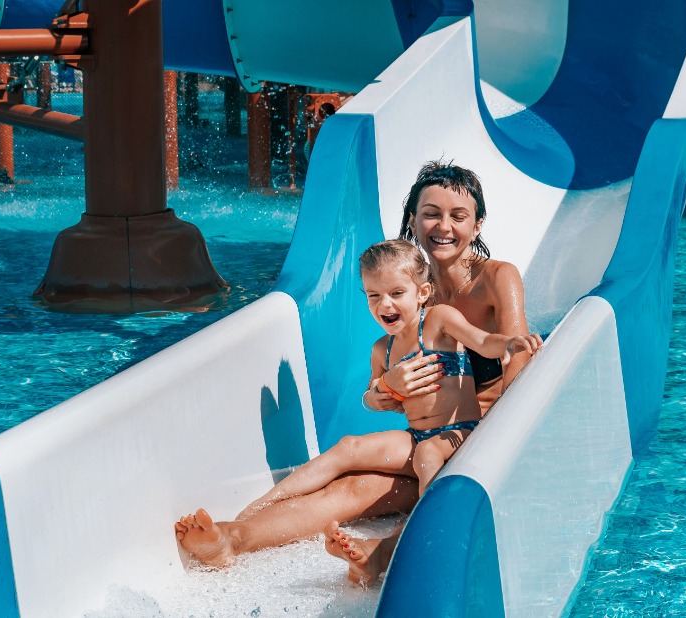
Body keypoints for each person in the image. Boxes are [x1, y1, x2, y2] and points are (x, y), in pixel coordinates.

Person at [176, 161, 533, 580]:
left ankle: (381, 555)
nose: (444, 226)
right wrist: (385, 390)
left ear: (477, 224)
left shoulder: (495, 278)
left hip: (480, 437)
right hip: (425, 438)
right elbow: (384, 392)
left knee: (382, 485)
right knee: (351, 485)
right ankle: (231, 537)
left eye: (458, 215)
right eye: (431, 213)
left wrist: (498, 446)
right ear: (413, 221)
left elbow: (517, 360)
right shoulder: (405, 289)